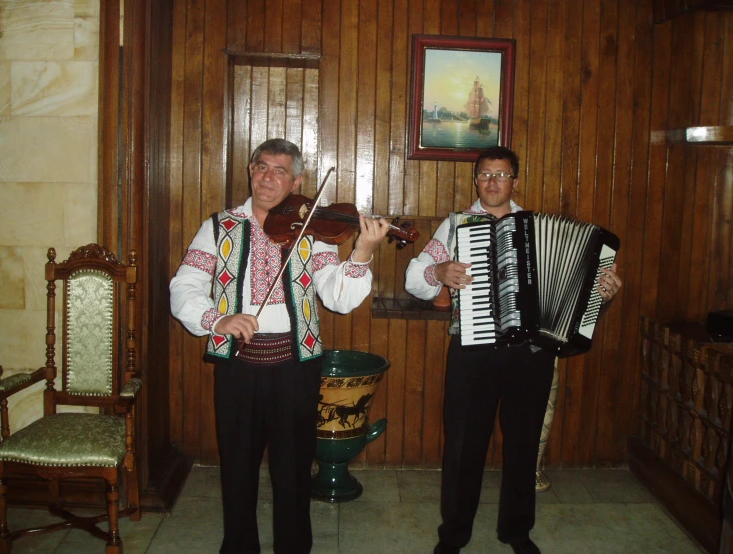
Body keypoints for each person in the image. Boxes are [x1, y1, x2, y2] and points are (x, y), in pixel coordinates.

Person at [170, 139, 390, 554]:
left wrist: (362, 251)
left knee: (291, 473)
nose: (268, 178)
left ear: (298, 181)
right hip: (238, 367)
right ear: (250, 169)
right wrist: (216, 319)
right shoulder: (219, 226)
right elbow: (185, 286)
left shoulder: (315, 232)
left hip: (295, 368)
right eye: (262, 167)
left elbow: (338, 297)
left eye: (280, 171)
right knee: (237, 470)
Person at [404, 146, 622, 554]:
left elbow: (576, 291)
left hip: (531, 354)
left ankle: (517, 532)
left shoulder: (536, 226)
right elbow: (414, 278)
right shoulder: (454, 226)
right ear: (476, 179)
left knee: (523, 445)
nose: (492, 183)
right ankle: (454, 533)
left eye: (501, 175)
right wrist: (438, 271)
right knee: (464, 444)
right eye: (485, 175)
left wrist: (603, 293)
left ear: (515, 181)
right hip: (472, 352)